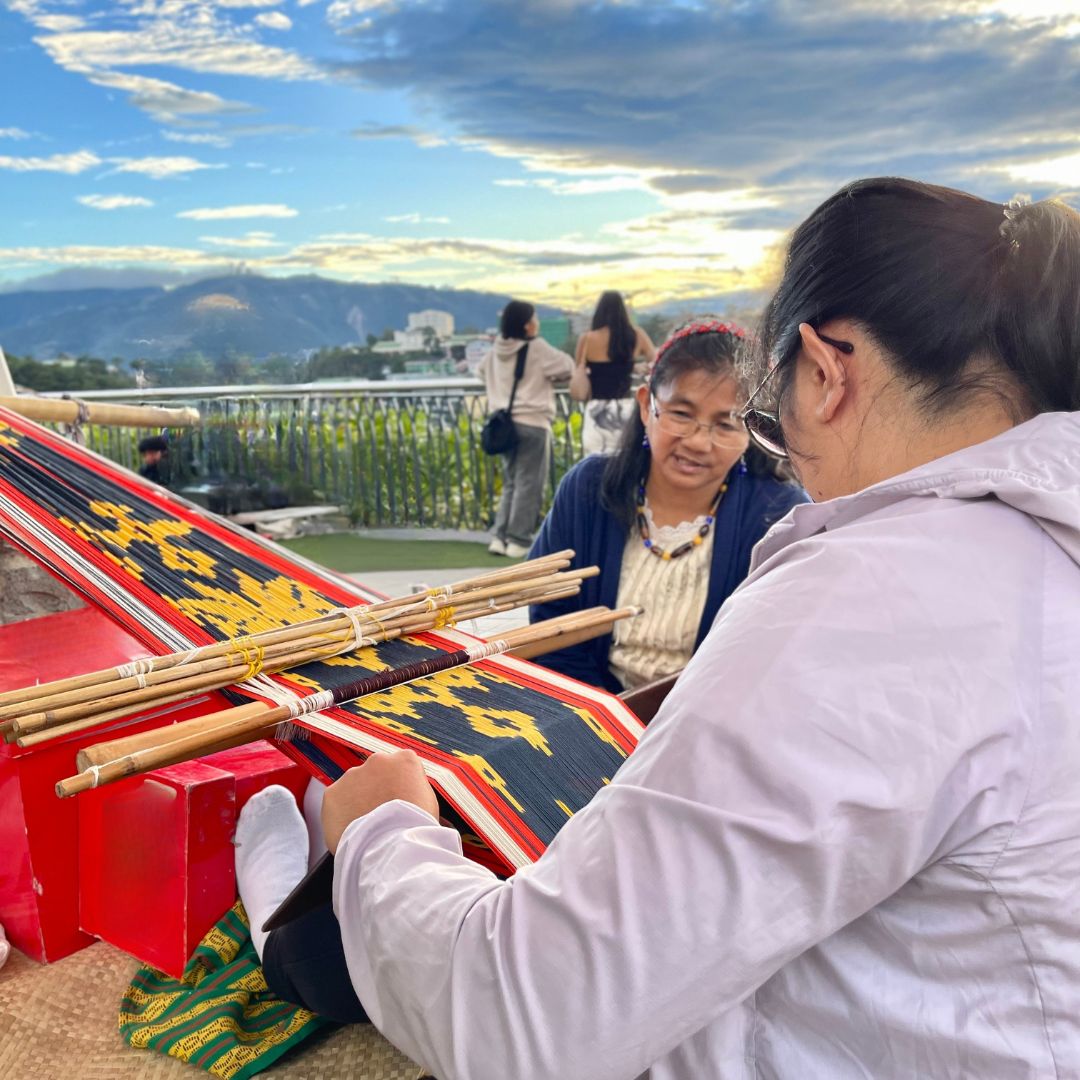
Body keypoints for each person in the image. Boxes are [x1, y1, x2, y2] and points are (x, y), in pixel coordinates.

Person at [240, 178, 1080, 1079]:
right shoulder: (1031, 547)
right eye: (685, 414)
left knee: (320, 844)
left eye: (752, 420)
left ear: (828, 370)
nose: (748, 446)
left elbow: (525, 1019)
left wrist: (383, 835)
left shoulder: (872, 588)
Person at [529, 320, 806, 691]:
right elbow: (550, 622)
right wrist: (608, 721)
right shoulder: (588, 489)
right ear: (647, 406)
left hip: (708, 725)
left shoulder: (778, 516)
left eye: (726, 425)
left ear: (752, 429)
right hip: (587, 717)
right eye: (681, 414)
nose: (697, 442)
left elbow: (770, 661)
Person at [478, 300, 573, 558]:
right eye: (535, 319)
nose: (538, 323)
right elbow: (567, 366)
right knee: (529, 484)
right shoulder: (536, 347)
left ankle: (499, 537)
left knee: (511, 483)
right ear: (527, 325)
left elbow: (480, 372)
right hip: (533, 423)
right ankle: (518, 540)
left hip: (504, 425)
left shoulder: (495, 350)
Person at [575, 291, 656, 455]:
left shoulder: (588, 339)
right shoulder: (636, 335)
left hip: (597, 409)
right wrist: (634, 367)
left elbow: (578, 368)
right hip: (625, 409)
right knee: (625, 461)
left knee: (594, 461)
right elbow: (656, 360)